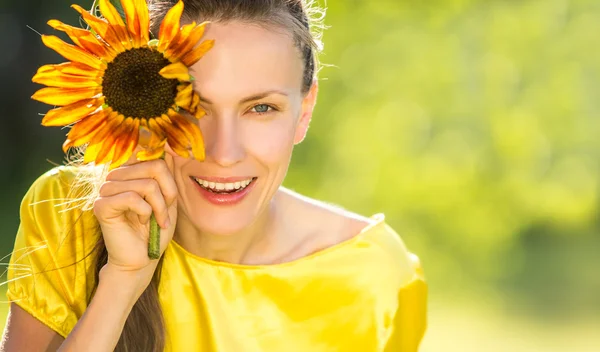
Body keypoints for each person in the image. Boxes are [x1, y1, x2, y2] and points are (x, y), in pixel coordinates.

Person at [1, 0, 427, 351]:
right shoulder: (71, 211)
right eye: (191, 107)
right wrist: (121, 281)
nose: (223, 153)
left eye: (261, 109)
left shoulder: (375, 275)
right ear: (141, 102)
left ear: (306, 111)